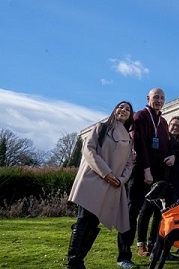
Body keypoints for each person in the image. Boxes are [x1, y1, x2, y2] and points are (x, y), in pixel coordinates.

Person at [67, 101, 135, 269]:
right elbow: (89, 150)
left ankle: (79, 260)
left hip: (112, 185)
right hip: (93, 179)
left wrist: (121, 179)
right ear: (114, 110)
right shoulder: (101, 127)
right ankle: (73, 261)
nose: (123, 110)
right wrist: (107, 173)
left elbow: (129, 164)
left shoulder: (129, 138)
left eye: (127, 109)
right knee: (84, 220)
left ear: (130, 116)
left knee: (93, 222)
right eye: (121, 107)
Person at [117, 88, 172, 269]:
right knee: (132, 212)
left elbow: (166, 146)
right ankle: (124, 255)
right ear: (148, 98)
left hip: (158, 173)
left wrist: (172, 157)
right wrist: (147, 170)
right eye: (155, 97)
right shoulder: (140, 116)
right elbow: (139, 145)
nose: (159, 100)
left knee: (158, 213)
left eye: (162, 98)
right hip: (141, 171)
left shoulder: (163, 122)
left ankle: (155, 250)